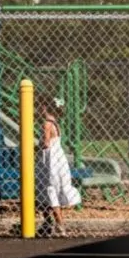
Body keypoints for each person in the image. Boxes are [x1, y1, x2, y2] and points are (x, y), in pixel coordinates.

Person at [35, 97, 82, 237]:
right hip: (59, 158)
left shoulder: (46, 124)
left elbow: (46, 143)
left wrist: (34, 148)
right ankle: (50, 223)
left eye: (39, 106)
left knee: (49, 188)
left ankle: (59, 224)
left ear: (44, 107)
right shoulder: (55, 122)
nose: (38, 109)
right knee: (52, 189)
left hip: (50, 160)